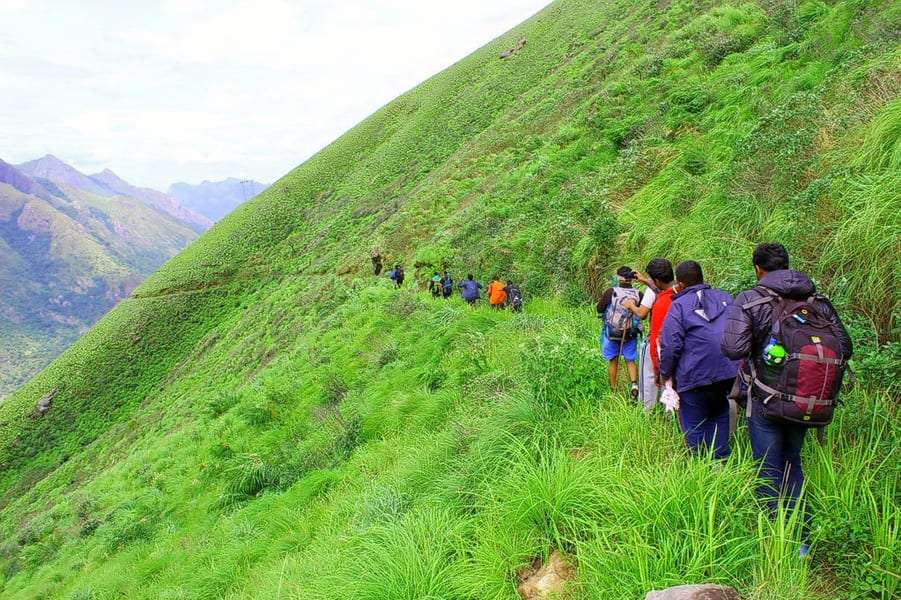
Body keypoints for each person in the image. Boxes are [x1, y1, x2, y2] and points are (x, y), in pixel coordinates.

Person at [721, 242, 852, 556]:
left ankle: (773, 542)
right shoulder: (818, 301)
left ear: (758, 268)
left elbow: (733, 349)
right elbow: (845, 347)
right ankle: (801, 542)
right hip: (805, 400)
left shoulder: (752, 299)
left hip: (766, 399)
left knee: (767, 467)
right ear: (788, 265)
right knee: (793, 462)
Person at [658, 260, 737, 460]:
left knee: (694, 423)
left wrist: (665, 374)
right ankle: (721, 464)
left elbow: (671, 345)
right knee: (719, 413)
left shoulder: (679, 306)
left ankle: (700, 468)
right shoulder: (725, 298)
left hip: (693, 374)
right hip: (726, 373)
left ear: (680, 284)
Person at [622, 258, 675, 411]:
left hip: (655, 342)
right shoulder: (679, 288)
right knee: (670, 379)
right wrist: (645, 281)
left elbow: (642, 313)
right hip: (676, 341)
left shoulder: (652, 293)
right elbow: (661, 288)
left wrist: (631, 305)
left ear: (657, 280)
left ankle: (647, 411)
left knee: (648, 377)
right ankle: (669, 413)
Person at [598, 266, 642, 398]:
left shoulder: (611, 291)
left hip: (612, 333)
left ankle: (613, 390)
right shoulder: (639, 294)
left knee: (613, 360)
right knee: (630, 360)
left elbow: (599, 309)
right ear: (632, 279)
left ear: (618, 277)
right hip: (630, 333)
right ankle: (634, 385)